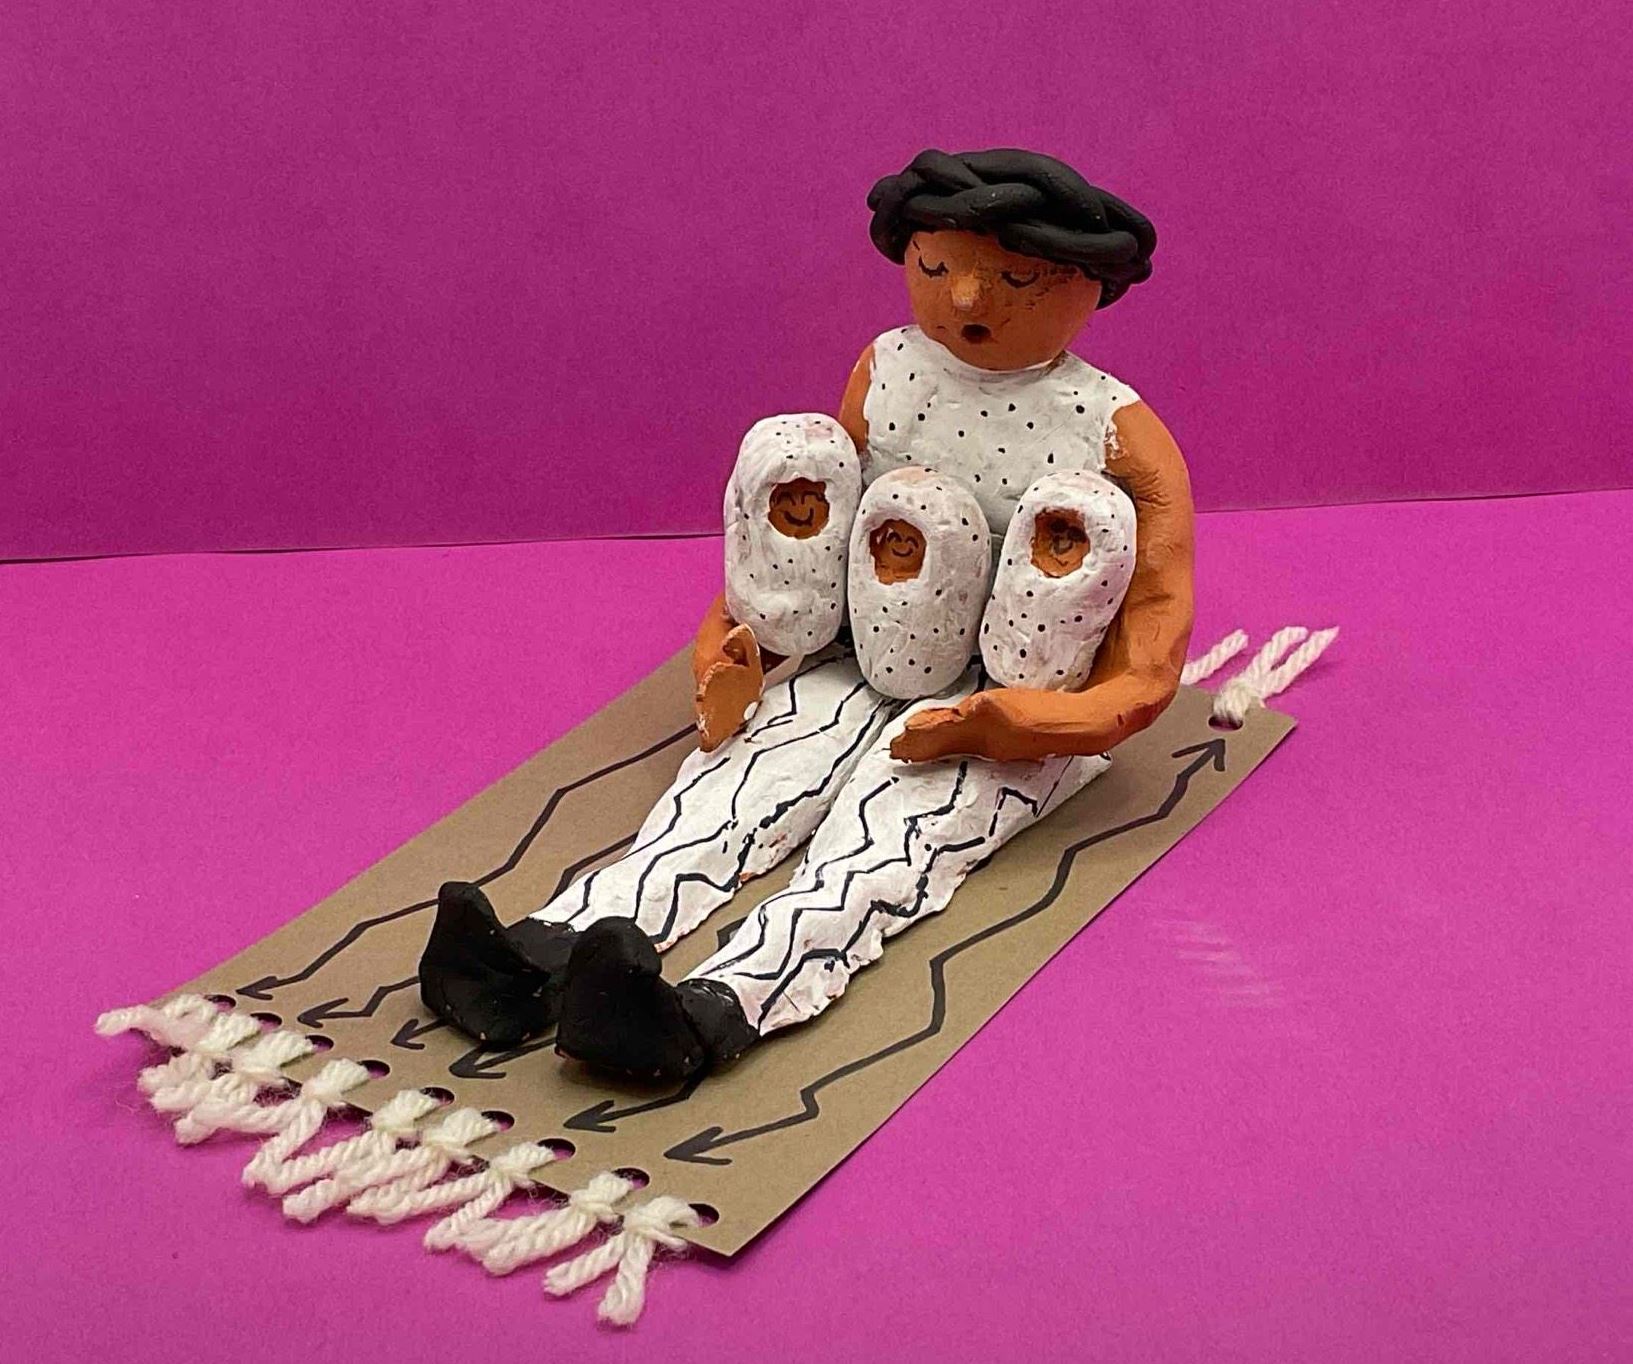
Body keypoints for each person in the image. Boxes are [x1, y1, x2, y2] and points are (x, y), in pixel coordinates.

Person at [419, 148, 1195, 1080]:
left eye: (1017, 279)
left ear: (1087, 286)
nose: (963, 300)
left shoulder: (1115, 432)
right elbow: (810, 528)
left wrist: (1030, 723)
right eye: (934, 266)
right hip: (861, 647)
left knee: (879, 849)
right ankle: (532, 957)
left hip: (1006, 702)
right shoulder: (889, 369)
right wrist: (730, 638)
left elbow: (1148, 666)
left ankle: (706, 1011)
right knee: (729, 801)